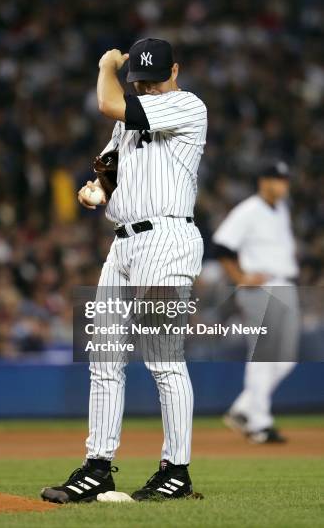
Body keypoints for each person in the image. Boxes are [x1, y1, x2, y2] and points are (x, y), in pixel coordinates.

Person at [41, 38, 207, 502]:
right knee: (105, 357)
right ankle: (98, 467)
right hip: (124, 244)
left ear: (175, 69)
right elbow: (110, 171)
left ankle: (177, 471)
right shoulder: (130, 118)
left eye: (154, 78)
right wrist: (97, 190)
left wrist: (106, 66)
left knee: (162, 358)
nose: (149, 87)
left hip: (167, 240)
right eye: (142, 81)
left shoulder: (188, 105)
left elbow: (106, 102)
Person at [212, 161, 300, 443]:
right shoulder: (248, 210)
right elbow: (221, 245)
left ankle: (243, 409)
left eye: (285, 180)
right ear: (263, 181)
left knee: (286, 360)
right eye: (277, 179)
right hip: (262, 288)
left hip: (285, 283)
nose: (282, 184)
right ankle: (258, 423)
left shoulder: (281, 209)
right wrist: (239, 276)